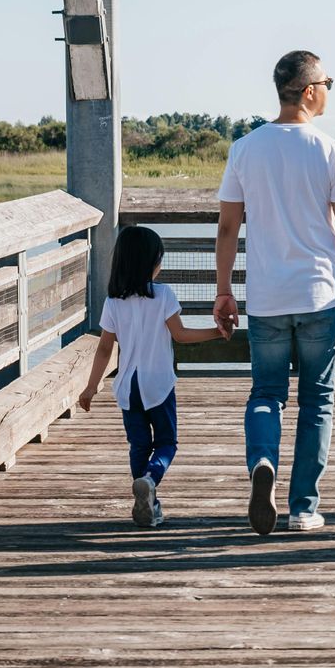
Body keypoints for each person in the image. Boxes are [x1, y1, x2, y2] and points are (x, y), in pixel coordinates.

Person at [213, 51, 335, 536]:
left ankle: (263, 462)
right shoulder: (331, 152)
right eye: (327, 81)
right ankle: (303, 507)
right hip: (320, 296)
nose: (328, 89)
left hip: (265, 296)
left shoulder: (245, 149)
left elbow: (226, 228)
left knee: (266, 393)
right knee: (317, 400)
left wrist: (223, 291)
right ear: (309, 91)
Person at [79, 225, 231, 529]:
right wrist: (218, 332)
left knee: (138, 446)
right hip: (157, 384)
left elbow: (105, 348)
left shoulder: (113, 302)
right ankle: (150, 480)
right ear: (152, 263)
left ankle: (149, 501)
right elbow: (181, 335)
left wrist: (91, 387)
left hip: (126, 388)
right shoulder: (163, 295)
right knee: (166, 443)